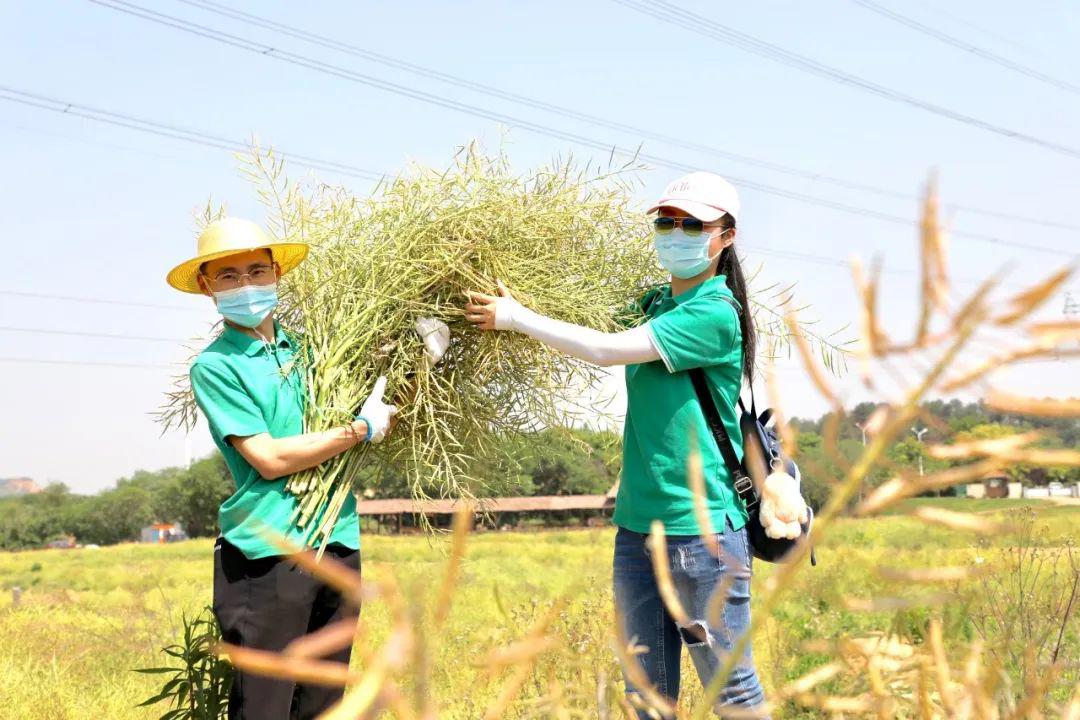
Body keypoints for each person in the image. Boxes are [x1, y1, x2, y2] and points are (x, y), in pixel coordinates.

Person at [465, 172, 804, 718]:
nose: (676, 233)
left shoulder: (715, 314)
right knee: (645, 697)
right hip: (637, 528)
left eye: (693, 224)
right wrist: (519, 300)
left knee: (732, 693)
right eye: (666, 222)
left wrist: (515, 318)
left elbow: (602, 350)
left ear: (726, 236)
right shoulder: (654, 302)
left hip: (703, 536)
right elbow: (582, 329)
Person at [166, 217, 448, 719]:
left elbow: (376, 411)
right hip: (268, 551)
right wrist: (358, 430)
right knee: (266, 706)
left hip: (337, 540)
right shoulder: (217, 366)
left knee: (325, 702)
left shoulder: (314, 352)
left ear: (276, 273)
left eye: (257, 270)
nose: (247, 285)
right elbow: (270, 459)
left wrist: (422, 362)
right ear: (207, 287)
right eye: (229, 276)